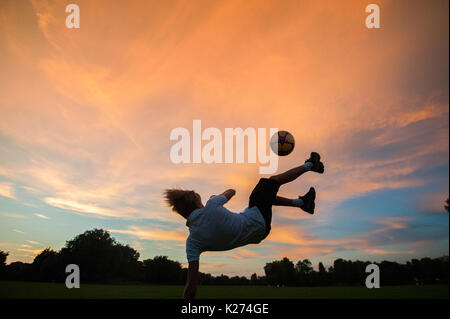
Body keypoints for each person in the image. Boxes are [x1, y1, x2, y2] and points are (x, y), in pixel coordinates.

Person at [164, 152, 325, 299]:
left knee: (264, 197)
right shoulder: (212, 204)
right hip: (256, 219)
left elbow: (191, 286)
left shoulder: (192, 243)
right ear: (196, 201)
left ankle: (302, 203)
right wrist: (217, 196)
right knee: (269, 182)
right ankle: (310, 165)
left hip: (259, 232)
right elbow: (231, 191)